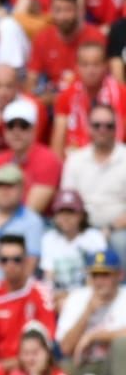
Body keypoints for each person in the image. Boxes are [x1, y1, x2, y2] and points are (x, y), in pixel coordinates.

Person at [58, 248, 126, 375]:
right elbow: (65, 348)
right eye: (94, 275)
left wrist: (95, 336)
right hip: (86, 364)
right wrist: (87, 312)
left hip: (116, 366)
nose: (99, 281)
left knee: (121, 344)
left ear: (119, 275)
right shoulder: (78, 298)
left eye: (105, 275)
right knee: (63, 369)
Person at [61, 103, 126, 266]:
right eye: (97, 125)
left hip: (118, 229)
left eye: (108, 125)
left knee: (122, 242)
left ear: (115, 128)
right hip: (81, 225)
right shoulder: (75, 159)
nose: (102, 130)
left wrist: (110, 228)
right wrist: (78, 227)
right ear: (88, 128)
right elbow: (67, 200)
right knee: (53, 238)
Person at [0, 234, 55, 369]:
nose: (10, 265)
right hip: (0, 369)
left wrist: (7, 366)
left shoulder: (41, 293)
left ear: (26, 261)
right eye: (4, 260)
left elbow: (48, 343)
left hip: (33, 367)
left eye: (16, 259)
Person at [0, 98, 61, 217]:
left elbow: (32, 211)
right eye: (11, 125)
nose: (16, 131)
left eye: (23, 126)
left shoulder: (48, 159)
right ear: (4, 130)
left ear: (34, 129)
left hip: (39, 224)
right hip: (2, 221)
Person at [41, 189, 108, 299]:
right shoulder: (49, 238)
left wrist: (77, 299)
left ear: (81, 215)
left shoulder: (94, 237)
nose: (65, 217)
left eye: (71, 212)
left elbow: (97, 275)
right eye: (61, 212)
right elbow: (49, 277)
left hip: (87, 295)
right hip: (59, 296)